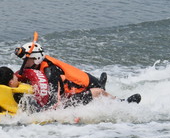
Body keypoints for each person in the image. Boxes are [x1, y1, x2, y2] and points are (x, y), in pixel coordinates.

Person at [13, 41, 141, 106]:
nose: (24, 62)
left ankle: (123, 102)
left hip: (85, 86)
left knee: (98, 92)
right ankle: (100, 84)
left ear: (36, 59)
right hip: (76, 83)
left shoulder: (50, 72)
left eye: (26, 59)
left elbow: (53, 98)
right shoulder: (35, 66)